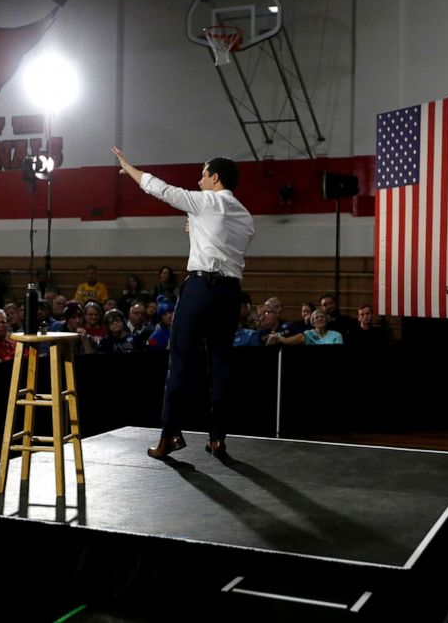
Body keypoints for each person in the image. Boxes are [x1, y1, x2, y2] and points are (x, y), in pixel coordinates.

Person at [113, 146, 254, 458]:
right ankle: (217, 438)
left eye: (203, 174)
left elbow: (161, 189)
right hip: (230, 293)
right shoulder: (245, 216)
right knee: (220, 364)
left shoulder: (204, 201)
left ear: (215, 177)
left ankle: (169, 436)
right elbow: (222, 243)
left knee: (179, 361)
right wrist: (196, 229)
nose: (199, 179)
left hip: (201, 288)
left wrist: (130, 168)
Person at [266, 308, 344, 346]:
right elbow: (288, 341)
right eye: (316, 317)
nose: (320, 318)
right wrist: (277, 338)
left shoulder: (336, 335)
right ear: (312, 322)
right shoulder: (308, 333)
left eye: (322, 316)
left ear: (327, 320)